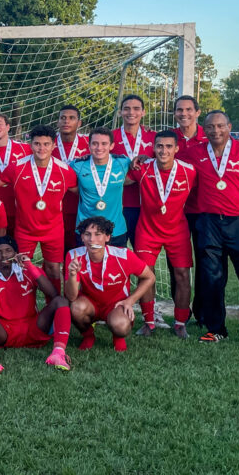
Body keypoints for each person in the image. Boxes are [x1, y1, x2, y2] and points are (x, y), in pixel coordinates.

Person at [183, 110, 239, 347]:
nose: (216, 131)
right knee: (211, 278)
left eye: (220, 126)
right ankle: (216, 328)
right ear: (204, 129)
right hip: (209, 222)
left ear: (229, 127)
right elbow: (172, 166)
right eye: (210, 127)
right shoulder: (195, 152)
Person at [0, 124, 77, 293]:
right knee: (20, 269)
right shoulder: (17, 168)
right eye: (37, 144)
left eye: (46, 144)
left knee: (52, 269)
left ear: (53, 145)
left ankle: (54, 308)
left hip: (53, 230)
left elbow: (81, 192)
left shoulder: (65, 171)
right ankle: (21, 310)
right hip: (25, 230)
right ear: (31, 145)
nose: (41, 148)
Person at [128, 130, 198, 337]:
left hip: (177, 230)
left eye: (169, 146)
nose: (163, 150)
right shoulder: (142, 168)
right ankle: (149, 322)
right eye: (159, 146)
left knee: (182, 275)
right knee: (145, 275)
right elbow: (118, 180)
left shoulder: (189, 171)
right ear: (154, 148)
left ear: (176, 148)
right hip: (147, 231)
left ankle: (180, 323)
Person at [0, 236, 73, 374]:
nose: (4, 255)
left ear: (15, 254)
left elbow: (52, 294)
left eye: (8, 250)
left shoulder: (28, 270)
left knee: (61, 301)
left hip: (33, 326)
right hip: (5, 331)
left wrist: (30, 266)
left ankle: (58, 353)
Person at [65, 217, 156, 352]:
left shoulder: (124, 256)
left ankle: (117, 337)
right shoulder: (73, 256)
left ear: (107, 237)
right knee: (76, 308)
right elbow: (71, 297)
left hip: (116, 305)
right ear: (82, 237)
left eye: (98, 234)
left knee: (121, 325)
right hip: (90, 304)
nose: (92, 240)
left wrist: (130, 301)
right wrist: (72, 275)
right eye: (87, 234)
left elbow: (150, 277)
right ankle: (88, 336)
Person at [173, 94, 209, 325]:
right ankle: (181, 313)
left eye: (188, 110)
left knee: (206, 260)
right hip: (176, 212)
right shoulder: (168, 138)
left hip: (203, 209)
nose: (184, 114)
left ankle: (203, 311)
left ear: (197, 112)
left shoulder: (211, 136)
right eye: (179, 110)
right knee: (177, 264)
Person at [69, 128, 132, 247]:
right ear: (89, 145)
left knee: (115, 266)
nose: (99, 148)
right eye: (95, 143)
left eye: (104, 144)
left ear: (112, 145)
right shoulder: (77, 165)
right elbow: (67, 182)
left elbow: (139, 169)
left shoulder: (123, 163)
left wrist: (142, 157)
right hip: (86, 231)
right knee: (85, 265)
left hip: (116, 230)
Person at [112, 95, 155, 247]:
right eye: (126, 109)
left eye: (136, 109)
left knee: (143, 256)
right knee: (116, 254)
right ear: (120, 112)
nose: (131, 112)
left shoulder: (154, 137)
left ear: (143, 112)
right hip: (117, 206)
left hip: (145, 207)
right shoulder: (110, 137)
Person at [54, 105, 90, 253]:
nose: (66, 121)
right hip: (54, 208)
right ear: (57, 122)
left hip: (82, 208)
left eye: (71, 118)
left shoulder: (91, 143)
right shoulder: (46, 144)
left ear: (79, 123)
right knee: (56, 254)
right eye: (63, 118)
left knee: (80, 252)